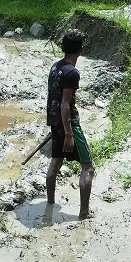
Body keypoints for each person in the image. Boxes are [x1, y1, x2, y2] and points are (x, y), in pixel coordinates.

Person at [46, 29, 94, 219]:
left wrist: (55, 126)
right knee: (88, 167)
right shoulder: (72, 73)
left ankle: (50, 203)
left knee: (55, 162)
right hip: (69, 124)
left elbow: (52, 98)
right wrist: (68, 133)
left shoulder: (55, 67)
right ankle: (84, 212)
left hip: (55, 121)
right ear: (80, 50)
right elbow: (65, 104)